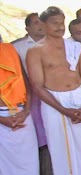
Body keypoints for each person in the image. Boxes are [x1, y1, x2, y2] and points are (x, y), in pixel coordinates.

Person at [26, 6, 81, 175]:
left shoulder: (76, 48)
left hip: (79, 101)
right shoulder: (35, 51)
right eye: (54, 23)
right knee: (61, 151)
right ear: (43, 25)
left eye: (61, 22)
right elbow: (37, 86)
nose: (59, 27)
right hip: (54, 103)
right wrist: (64, 110)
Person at [0, 42, 42, 175]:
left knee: (28, 164)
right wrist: (2, 119)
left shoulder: (9, 49)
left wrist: (25, 112)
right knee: (6, 169)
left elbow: (26, 82)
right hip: (2, 119)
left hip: (22, 114)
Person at [12, 12, 47, 147]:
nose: (41, 26)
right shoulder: (16, 47)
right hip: (30, 93)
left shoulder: (54, 44)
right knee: (36, 129)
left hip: (53, 90)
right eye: (36, 23)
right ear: (27, 28)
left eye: (42, 22)